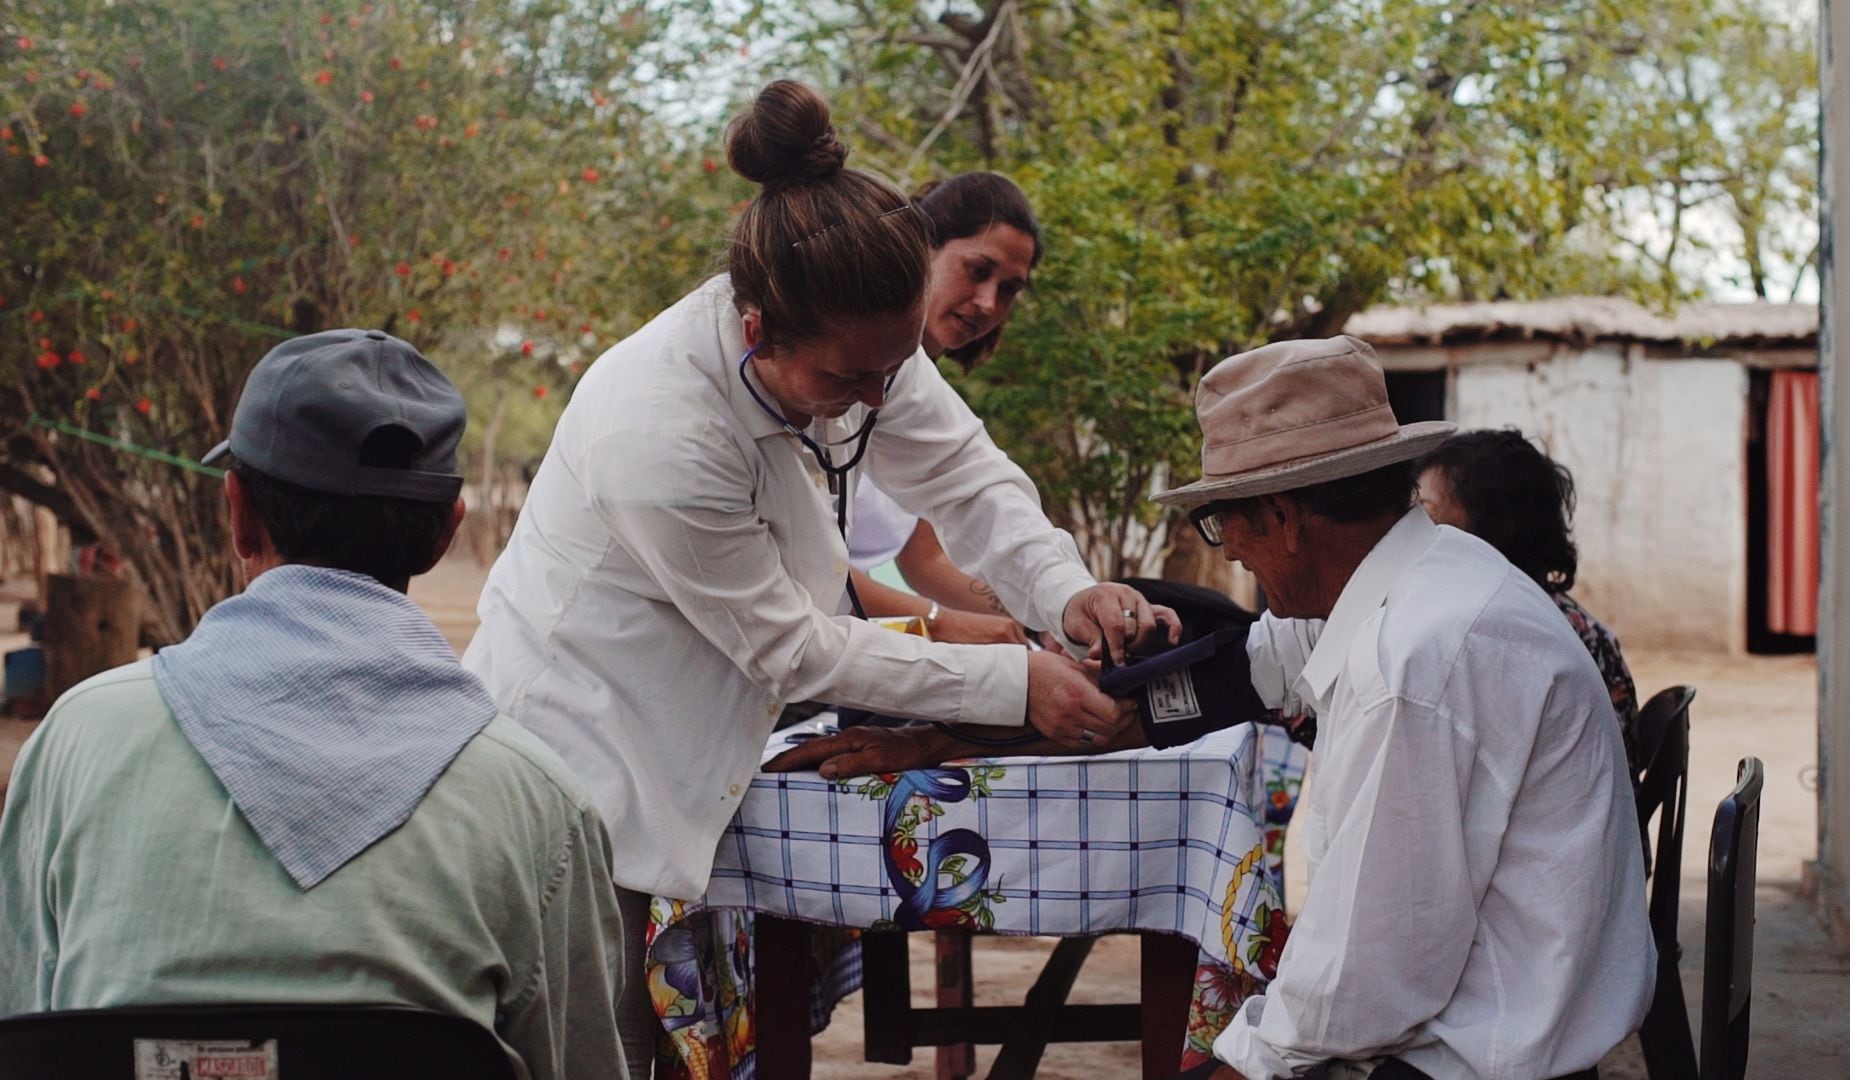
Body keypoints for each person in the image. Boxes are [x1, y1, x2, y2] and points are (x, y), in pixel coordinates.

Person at [460, 80, 1176, 1073]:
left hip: (691, 757)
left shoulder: (860, 339)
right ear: (756, 332)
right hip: (583, 767)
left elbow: (967, 477)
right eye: (850, 384)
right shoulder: (661, 432)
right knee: (604, 1053)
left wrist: (1066, 590)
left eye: (889, 375)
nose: (875, 401)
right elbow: (789, 644)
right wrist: (1015, 683)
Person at [0, 330, 625, 1080]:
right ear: (444, 533)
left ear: (237, 514)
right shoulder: (537, 797)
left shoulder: (77, 738)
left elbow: (24, 1022)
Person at [1152, 337, 1653, 1079]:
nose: (1230, 554)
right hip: (1489, 1023)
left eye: (1226, 526)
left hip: (1470, 1057)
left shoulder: (1415, 659)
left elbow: (1359, 987)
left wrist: (1239, 1064)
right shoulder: (1442, 578)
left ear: (1285, 518)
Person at [848, 173, 1045, 643]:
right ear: (922, 247)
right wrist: (945, 625)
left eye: (1009, 290)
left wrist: (1043, 620)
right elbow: (812, 571)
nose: (987, 303)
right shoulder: (838, 369)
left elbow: (925, 561)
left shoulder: (930, 405)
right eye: (978, 271)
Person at [1414, 429, 1640, 761]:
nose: (1413, 533)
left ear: (1492, 526)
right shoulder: (1553, 617)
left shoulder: (1504, 635)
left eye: (1427, 514)